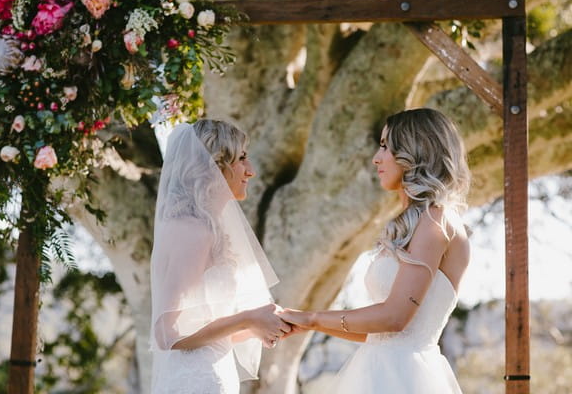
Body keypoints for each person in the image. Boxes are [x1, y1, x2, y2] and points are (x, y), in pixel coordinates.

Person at [280, 108, 471, 393]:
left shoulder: (435, 222)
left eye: (385, 146)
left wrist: (313, 317)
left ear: (414, 152)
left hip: (405, 377)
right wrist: (309, 324)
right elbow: (378, 333)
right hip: (380, 369)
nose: (376, 158)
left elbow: (394, 318)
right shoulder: (418, 221)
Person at [149, 120, 291, 394]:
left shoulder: (206, 229)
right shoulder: (192, 231)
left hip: (213, 379)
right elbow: (167, 334)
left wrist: (260, 326)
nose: (251, 171)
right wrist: (247, 319)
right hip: (194, 384)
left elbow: (209, 337)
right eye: (242, 159)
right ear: (214, 167)